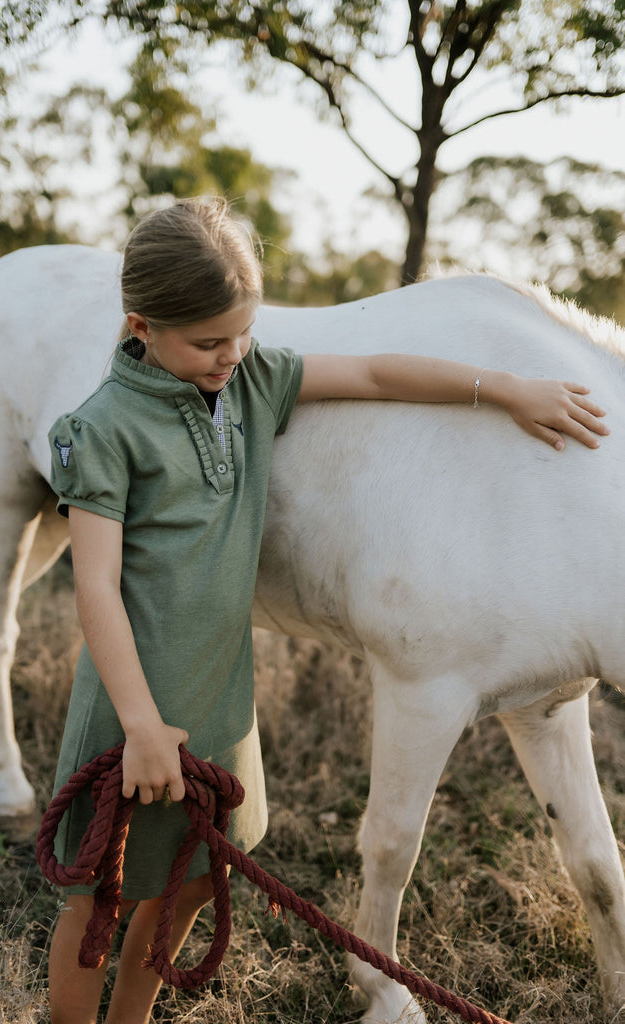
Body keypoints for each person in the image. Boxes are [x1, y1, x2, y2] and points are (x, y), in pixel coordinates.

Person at [46, 197, 609, 1024]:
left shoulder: (252, 379)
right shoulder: (102, 431)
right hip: (134, 706)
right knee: (103, 897)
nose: (229, 356)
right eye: (207, 342)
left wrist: (501, 389)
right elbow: (93, 588)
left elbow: (379, 373)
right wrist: (136, 724)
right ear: (139, 326)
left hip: (218, 697)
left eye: (241, 333)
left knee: (194, 882)